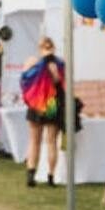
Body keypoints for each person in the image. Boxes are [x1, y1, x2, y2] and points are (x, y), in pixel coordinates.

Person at [21, 36, 66, 186]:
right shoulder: (59, 64)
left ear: (40, 48)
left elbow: (24, 81)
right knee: (52, 141)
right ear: (53, 47)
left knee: (34, 140)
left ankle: (30, 174)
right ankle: (51, 176)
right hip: (52, 104)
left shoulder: (32, 62)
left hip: (36, 104)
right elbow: (61, 83)